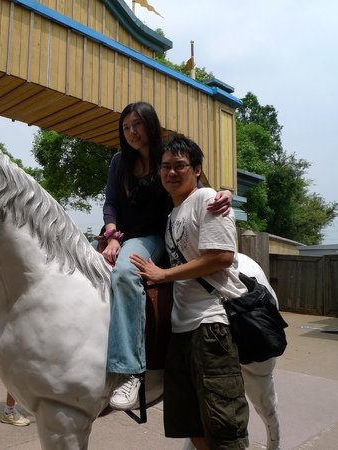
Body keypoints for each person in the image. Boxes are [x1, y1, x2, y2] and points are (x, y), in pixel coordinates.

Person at [103, 102, 231, 410]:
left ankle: (130, 370)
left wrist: (224, 192)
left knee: (123, 274)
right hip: (122, 236)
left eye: (137, 124)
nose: (132, 132)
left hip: (156, 236)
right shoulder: (120, 161)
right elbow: (110, 203)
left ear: (150, 124)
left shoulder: (167, 158)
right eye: (126, 127)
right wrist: (111, 234)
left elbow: (197, 186)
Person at [130, 134, 249, 449]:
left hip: (210, 327)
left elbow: (221, 256)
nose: (171, 172)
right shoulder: (171, 216)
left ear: (197, 169)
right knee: (191, 421)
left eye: (180, 166)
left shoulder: (208, 200)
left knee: (224, 426)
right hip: (180, 332)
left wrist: (164, 273)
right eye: (166, 166)